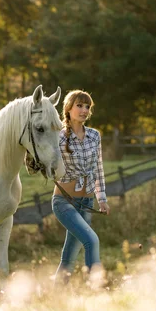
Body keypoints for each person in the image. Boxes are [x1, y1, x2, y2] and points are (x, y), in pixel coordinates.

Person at [52, 90, 110, 285]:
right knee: (91, 241)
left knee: (69, 256)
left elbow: (98, 168)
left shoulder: (94, 136)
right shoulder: (58, 137)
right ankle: (96, 289)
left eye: (87, 107)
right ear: (68, 108)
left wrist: (101, 198)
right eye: (79, 105)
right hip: (64, 201)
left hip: (86, 201)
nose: (84, 110)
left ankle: (55, 294)